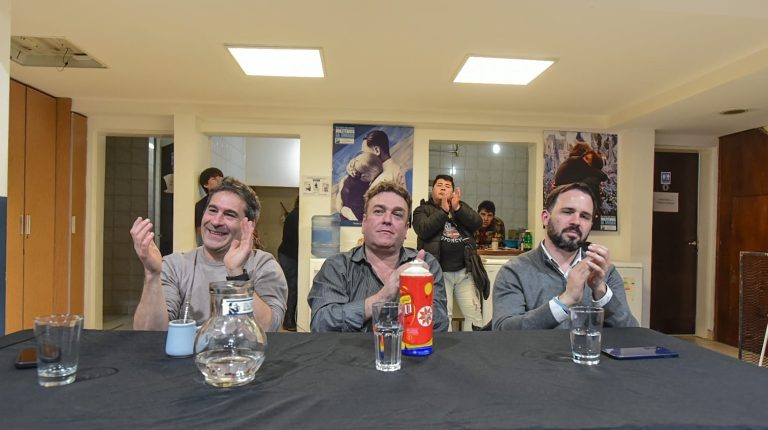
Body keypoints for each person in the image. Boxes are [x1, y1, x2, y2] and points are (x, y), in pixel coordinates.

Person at [132, 176, 288, 332]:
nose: (216, 221)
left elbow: (268, 329)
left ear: (248, 226)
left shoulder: (263, 266)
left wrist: (237, 275)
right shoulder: (175, 265)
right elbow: (149, 334)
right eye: (212, 210)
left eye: (230, 214)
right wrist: (152, 275)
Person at [492, 182, 638, 330]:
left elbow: (631, 333)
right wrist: (565, 300)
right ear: (545, 217)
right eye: (568, 212)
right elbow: (503, 331)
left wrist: (600, 290)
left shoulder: (605, 272)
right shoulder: (515, 271)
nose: (576, 221)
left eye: (585, 216)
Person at [309, 181, 449, 332]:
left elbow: (441, 325)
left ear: (406, 228)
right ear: (364, 222)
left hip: (409, 348)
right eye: (378, 211)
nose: (387, 220)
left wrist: (418, 295)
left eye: (397, 214)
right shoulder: (337, 267)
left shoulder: (426, 265)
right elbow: (321, 324)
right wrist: (382, 297)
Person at [412, 174, 484, 331]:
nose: (443, 188)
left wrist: (457, 208)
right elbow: (423, 229)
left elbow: (477, 223)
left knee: (475, 316)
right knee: (444, 317)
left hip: (464, 272)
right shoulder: (422, 210)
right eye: (439, 185)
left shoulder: (460, 207)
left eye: (447, 186)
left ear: (453, 191)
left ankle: (474, 346)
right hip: (439, 274)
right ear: (432, 190)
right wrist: (443, 211)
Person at [336, 152, 383, 221]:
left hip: (347, 212)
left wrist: (341, 209)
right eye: (373, 177)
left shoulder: (347, 181)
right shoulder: (360, 189)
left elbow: (341, 205)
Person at [278, 196, 299, 331]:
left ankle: (288, 319)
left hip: (286, 254)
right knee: (292, 288)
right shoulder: (297, 216)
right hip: (289, 256)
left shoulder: (293, 214)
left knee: (291, 288)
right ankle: (288, 321)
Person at [194, 167, 224, 246]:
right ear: (205, 185)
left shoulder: (230, 200)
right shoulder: (201, 205)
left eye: (220, 178)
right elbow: (200, 232)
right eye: (214, 179)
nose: (219, 180)